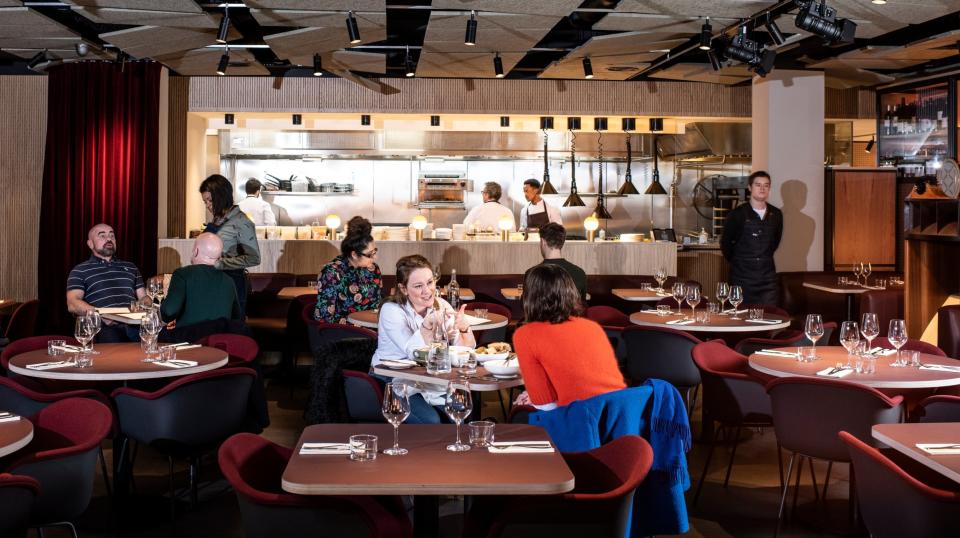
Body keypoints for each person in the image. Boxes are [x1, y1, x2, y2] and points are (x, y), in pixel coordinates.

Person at [372, 255, 476, 424]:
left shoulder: (442, 305)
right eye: (418, 286)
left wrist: (464, 328)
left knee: (458, 411)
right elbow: (412, 353)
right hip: (391, 377)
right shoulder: (391, 310)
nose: (427, 291)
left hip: (428, 377)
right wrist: (427, 326)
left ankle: (454, 450)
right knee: (431, 420)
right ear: (403, 288)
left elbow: (463, 349)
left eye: (429, 282)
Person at [512, 264, 625, 411]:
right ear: (570, 293)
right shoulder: (593, 328)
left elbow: (544, 404)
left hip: (580, 419)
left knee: (519, 411)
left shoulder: (525, 335)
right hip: (620, 414)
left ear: (529, 297)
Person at [66, 223, 148, 342]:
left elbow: (144, 297)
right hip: (104, 327)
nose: (109, 239)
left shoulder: (131, 267)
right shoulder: (80, 270)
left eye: (112, 235)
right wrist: (100, 315)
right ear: (90, 244)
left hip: (135, 325)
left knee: (163, 335)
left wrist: (145, 304)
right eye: (102, 236)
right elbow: (72, 303)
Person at [200, 174, 261, 318]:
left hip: (231, 284)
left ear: (221, 196)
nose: (208, 205)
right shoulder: (217, 220)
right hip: (210, 283)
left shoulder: (241, 221)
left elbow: (254, 258)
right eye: (205, 201)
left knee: (229, 330)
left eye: (210, 200)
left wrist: (219, 264)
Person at [720, 170, 783, 306]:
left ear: (769, 188)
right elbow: (726, 245)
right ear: (750, 187)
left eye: (766, 185)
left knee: (770, 318)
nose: (762, 188)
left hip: (768, 279)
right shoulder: (737, 214)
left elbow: (774, 243)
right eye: (758, 185)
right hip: (741, 278)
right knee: (740, 321)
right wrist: (741, 262)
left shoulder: (776, 214)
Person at [160, 233, 241, 329]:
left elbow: (169, 311)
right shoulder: (229, 281)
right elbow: (236, 317)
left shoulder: (182, 274)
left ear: (196, 251)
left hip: (189, 341)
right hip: (217, 342)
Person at [314, 216, 383, 324]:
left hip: (373, 329)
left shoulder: (373, 269)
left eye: (375, 252)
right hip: (344, 332)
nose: (375, 257)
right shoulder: (331, 273)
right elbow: (324, 317)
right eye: (370, 254)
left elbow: (378, 305)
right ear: (354, 254)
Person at [527, 222, 587, 301]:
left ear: (543, 241)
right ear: (562, 242)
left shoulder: (531, 274)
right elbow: (582, 303)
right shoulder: (579, 273)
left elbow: (526, 305)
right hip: (570, 313)